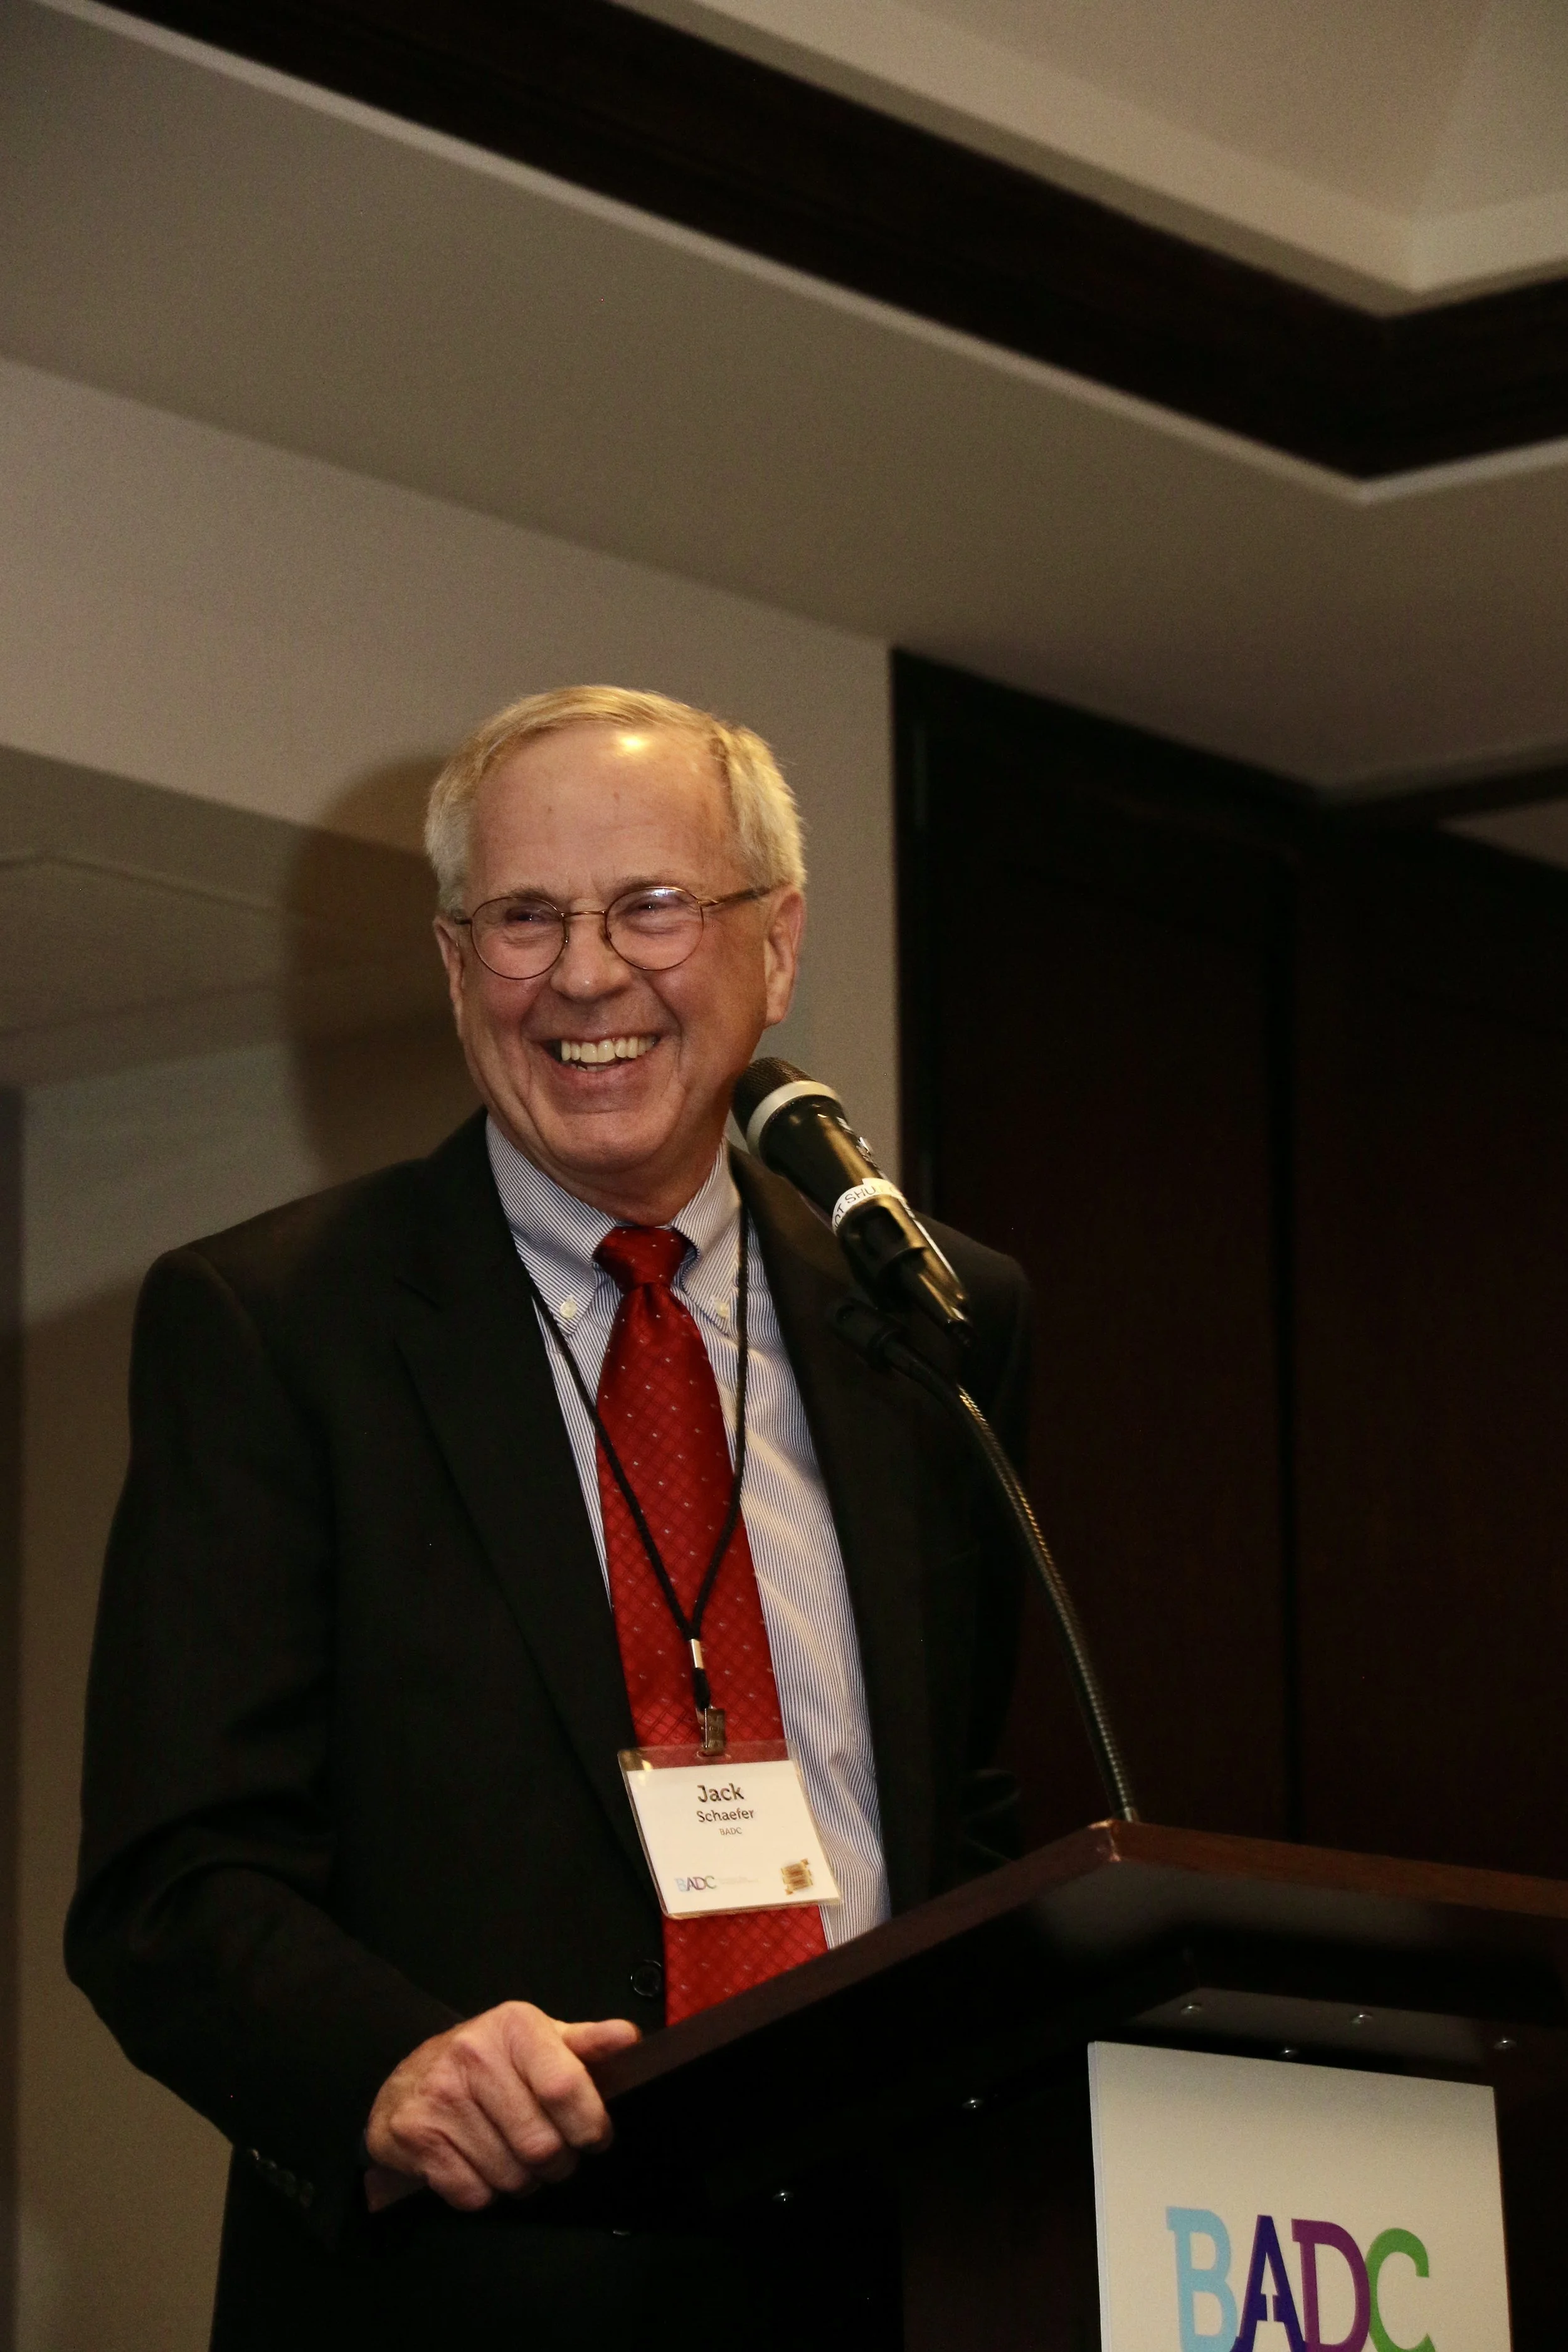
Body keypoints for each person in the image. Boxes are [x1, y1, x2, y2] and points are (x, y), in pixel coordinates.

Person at [66, 686, 1030, 2349]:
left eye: (654, 904)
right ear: (457, 966)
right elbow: (171, 1882)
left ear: (775, 942)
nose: (587, 973)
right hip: (478, 2286)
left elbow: (969, 1809)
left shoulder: (932, 1316)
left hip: (895, 2275)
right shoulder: (276, 1329)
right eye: (524, 916)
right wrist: (387, 2061)